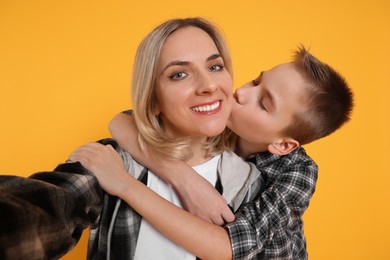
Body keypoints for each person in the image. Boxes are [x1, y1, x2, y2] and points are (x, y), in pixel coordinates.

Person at [0, 17, 263, 260]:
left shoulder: (250, 182)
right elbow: (48, 208)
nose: (208, 85)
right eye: (179, 74)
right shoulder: (114, 160)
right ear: (153, 99)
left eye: (215, 66)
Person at [72, 45, 354, 259]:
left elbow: (228, 248)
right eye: (256, 81)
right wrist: (183, 177)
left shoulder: (298, 173)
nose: (243, 93)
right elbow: (122, 122)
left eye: (264, 103)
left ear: (282, 145)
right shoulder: (218, 122)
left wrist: (125, 185)